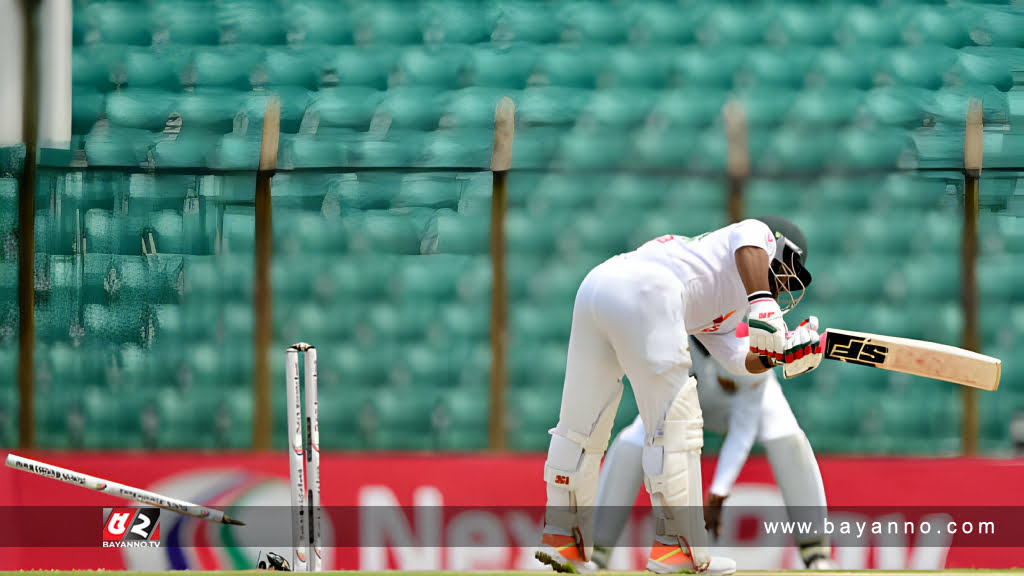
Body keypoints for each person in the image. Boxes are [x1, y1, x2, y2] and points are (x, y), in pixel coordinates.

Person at [535, 216, 821, 575]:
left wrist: (779, 355)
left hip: (598, 287)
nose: (784, 289)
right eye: (787, 273)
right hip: (649, 290)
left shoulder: (726, 310)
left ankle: (565, 538)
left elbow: (737, 361)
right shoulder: (753, 236)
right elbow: (751, 235)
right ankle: (678, 549)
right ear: (776, 249)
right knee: (675, 424)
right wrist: (763, 302)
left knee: (581, 424)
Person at [591, 337, 838, 571]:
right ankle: (597, 550)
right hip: (681, 400)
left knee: (790, 440)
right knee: (631, 442)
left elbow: (743, 428)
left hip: (746, 404)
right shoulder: (671, 334)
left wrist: (718, 492)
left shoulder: (751, 340)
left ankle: (815, 550)